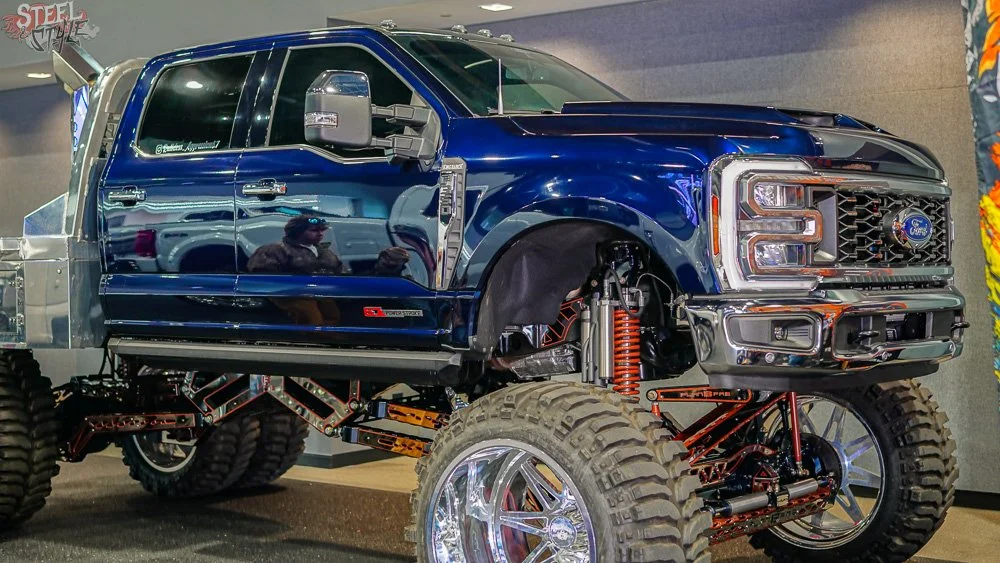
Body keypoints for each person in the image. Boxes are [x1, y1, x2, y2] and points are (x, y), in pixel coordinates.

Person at [247, 215, 346, 275]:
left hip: (325, 296)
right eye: (314, 230)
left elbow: (341, 271)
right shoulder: (273, 250)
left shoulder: (325, 252)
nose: (320, 234)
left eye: (321, 230)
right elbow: (265, 281)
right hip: (293, 297)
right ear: (297, 231)